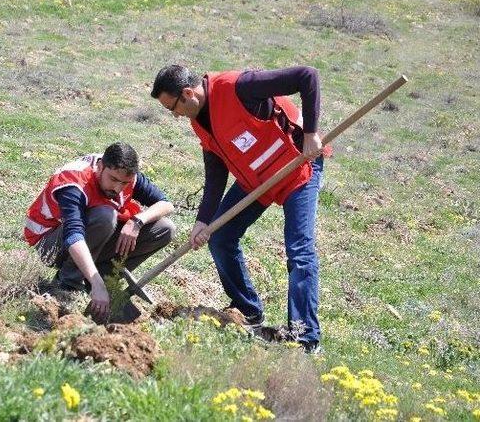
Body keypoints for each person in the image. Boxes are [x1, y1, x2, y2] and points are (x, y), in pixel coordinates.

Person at [151, 65, 329, 353]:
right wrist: (203, 220)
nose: (174, 115)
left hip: (298, 164)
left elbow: (306, 76)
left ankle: (305, 338)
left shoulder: (239, 87)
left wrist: (311, 133)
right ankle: (248, 312)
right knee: (220, 237)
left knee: (299, 250)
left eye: (173, 107)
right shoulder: (199, 120)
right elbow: (216, 171)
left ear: (187, 93)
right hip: (258, 177)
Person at [24, 142, 176, 320]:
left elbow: (166, 204)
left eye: (124, 183)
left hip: (91, 236)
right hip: (50, 242)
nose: (118, 188)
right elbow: (74, 235)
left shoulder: (127, 176)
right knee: (105, 216)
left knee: (165, 229)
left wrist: (137, 221)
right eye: (113, 180)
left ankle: (103, 278)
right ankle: (68, 284)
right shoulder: (74, 181)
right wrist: (96, 283)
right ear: (100, 166)